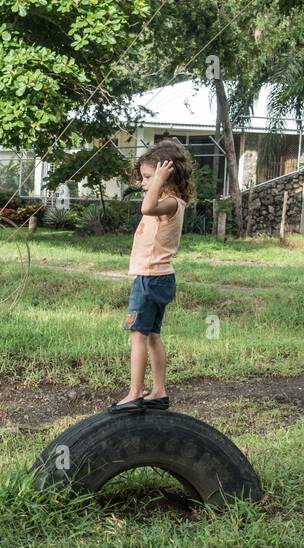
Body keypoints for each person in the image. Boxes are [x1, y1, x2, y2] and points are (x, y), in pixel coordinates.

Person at [112, 139, 195, 411]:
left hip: (150, 279)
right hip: (158, 277)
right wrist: (156, 180)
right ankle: (158, 391)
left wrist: (158, 179)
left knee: (137, 334)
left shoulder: (170, 202)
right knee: (152, 336)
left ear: (166, 177)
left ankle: (135, 393)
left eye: (148, 177)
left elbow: (146, 208)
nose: (144, 183)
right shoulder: (171, 202)